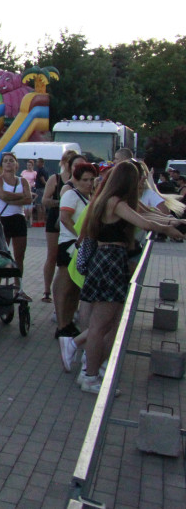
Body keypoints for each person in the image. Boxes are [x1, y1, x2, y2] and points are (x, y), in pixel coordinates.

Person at [71, 162, 184, 393]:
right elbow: (145, 222)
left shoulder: (106, 200)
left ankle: (88, 369)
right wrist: (170, 228)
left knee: (104, 324)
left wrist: (173, 222)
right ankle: (89, 375)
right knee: (100, 326)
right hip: (110, 261)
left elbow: (149, 215)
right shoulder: (115, 202)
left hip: (106, 261)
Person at [54, 161, 96, 340]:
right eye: (85, 179)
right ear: (77, 180)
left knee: (74, 289)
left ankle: (69, 322)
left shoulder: (89, 196)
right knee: (65, 287)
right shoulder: (71, 195)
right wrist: (79, 235)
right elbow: (64, 218)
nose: (89, 183)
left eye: (91, 179)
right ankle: (62, 324)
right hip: (69, 244)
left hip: (80, 245)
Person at [41, 150, 80, 304]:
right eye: (68, 161)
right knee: (52, 255)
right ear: (64, 162)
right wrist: (62, 203)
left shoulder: (82, 180)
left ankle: (70, 290)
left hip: (74, 219)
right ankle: (46, 290)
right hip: (56, 219)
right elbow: (45, 200)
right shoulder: (55, 178)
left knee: (71, 257)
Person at [0, 152, 33, 299]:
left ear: (16, 164)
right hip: (3, 219)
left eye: (11, 161)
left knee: (19, 257)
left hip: (18, 219)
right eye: (5, 161)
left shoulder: (22, 181)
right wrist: (21, 197)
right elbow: (2, 195)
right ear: (2, 164)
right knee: (0, 255)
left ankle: (19, 288)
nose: (8, 163)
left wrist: (14, 199)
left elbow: (29, 199)